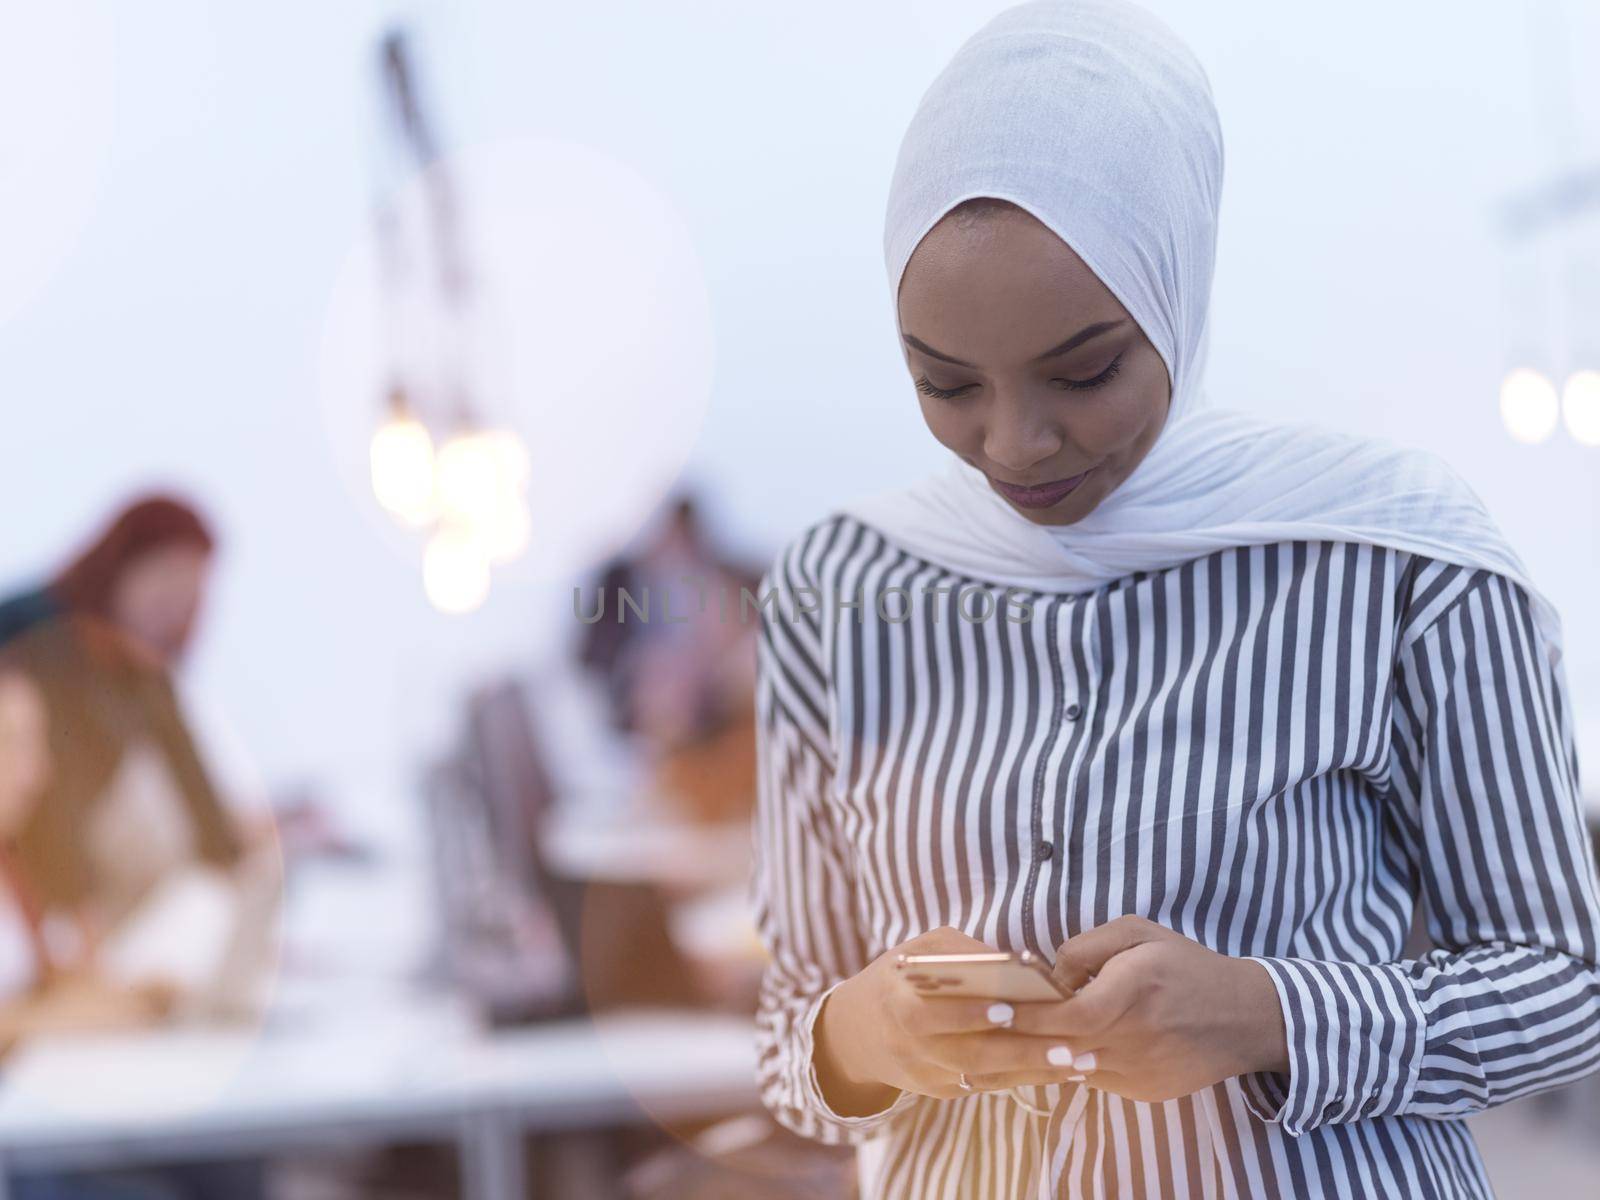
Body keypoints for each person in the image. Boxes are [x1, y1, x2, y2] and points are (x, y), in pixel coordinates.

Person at [749, 3, 1600, 1197]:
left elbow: (1566, 992)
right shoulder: (840, 598)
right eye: (945, 385)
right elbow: (789, 1032)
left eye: (1084, 369)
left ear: (1176, 289)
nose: (1016, 442)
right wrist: (863, 1034)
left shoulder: (1395, 560)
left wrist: (1267, 1011)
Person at [0, 496, 247, 944]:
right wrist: (74, 919)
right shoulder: (39, 632)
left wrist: (239, 876)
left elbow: (191, 777)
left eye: (191, 591)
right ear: (122, 566)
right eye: (166, 578)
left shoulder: (141, 673)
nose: (174, 605)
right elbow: (51, 790)